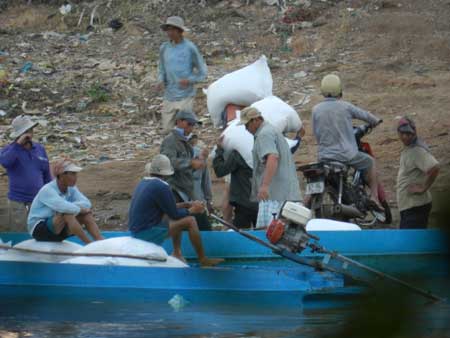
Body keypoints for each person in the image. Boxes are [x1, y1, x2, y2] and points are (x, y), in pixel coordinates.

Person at [128, 154, 223, 267]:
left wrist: (187, 204)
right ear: (166, 174)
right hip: (145, 234)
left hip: (135, 230)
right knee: (190, 220)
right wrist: (193, 210)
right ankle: (203, 259)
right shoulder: (162, 186)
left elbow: (169, 207)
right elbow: (174, 214)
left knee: (176, 219)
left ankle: (177, 253)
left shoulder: (144, 182)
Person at [312, 74, 382, 207]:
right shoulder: (345, 106)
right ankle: (374, 197)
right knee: (370, 162)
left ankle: (304, 207)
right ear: (339, 91)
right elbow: (365, 115)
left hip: (324, 156)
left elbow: (317, 133)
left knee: (316, 181)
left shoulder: (315, 110)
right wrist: (375, 121)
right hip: (346, 154)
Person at [238, 107, 302, 228]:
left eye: (247, 125)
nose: (246, 129)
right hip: (285, 192)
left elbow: (272, 157)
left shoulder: (264, 134)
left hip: (275, 195)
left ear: (255, 120)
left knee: (270, 234)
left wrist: (265, 186)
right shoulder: (271, 130)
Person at [27, 159, 104, 244]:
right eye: (73, 174)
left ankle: (101, 242)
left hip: (58, 228)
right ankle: (88, 244)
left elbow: (86, 203)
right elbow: (63, 207)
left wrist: (77, 208)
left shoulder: (71, 188)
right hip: (39, 230)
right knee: (67, 214)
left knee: (86, 215)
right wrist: (80, 209)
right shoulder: (47, 190)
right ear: (62, 175)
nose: (76, 178)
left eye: (76, 174)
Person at [160, 110, 211, 230]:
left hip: (188, 191)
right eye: (189, 124)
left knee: (198, 224)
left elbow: (188, 170)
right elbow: (168, 163)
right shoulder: (170, 140)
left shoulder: (185, 142)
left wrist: (198, 161)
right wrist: (191, 163)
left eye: (193, 125)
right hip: (176, 190)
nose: (191, 127)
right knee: (182, 224)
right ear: (179, 122)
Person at [156, 16, 207, 134]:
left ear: (179, 31)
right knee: (167, 129)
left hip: (186, 95)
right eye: (168, 30)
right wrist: (160, 81)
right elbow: (162, 68)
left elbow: (202, 72)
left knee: (185, 127)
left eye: (172, 30)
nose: (169, 33)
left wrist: (189, 80)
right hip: (170, 94)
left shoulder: (190, 48)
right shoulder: (164, 48)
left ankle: (188, 148)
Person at [0, 115, 52, 231]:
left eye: (30, 130)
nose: (29, 134)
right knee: (20, 231)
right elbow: (5, 162)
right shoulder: (9, 150)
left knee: (38, 230)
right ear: (19, 133)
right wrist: (18, 144)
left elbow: (46, 173)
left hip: (38, 199)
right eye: (26, 131)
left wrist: (52, 192)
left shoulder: (39, 149)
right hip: (18, 201)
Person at [396, 117, 439, 229]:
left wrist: (423, 188)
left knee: (409, 244)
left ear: (414, 132)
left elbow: (435, 167)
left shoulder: (417, 150)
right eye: (402, 133)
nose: (405, 136)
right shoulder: (409, 148)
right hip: (411, 206)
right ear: (398, 133)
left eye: (408, 133)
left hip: (415, 207)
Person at [212, 136, 258, 228]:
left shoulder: (238, 155)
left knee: (242, 236)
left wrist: (219, 150)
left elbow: (220, 170)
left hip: (244, 203)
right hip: (263, 203)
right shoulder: (263, 152)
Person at [189, 135, 213, 213]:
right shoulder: (176, 157)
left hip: (198, 202)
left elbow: (205, 181)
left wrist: (209, 201)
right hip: (183, 203)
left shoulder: (200, 154)